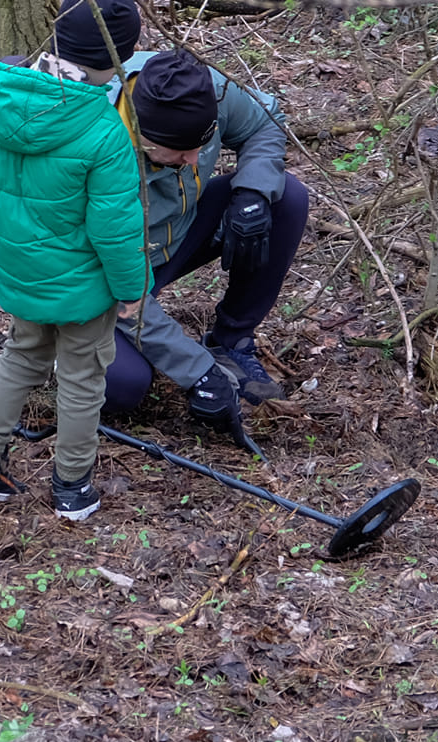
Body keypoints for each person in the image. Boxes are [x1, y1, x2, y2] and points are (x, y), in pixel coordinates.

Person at [0, 0, 149, 521]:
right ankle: (72, 486)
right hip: (82, 287)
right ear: (114, 60)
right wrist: (131, 288)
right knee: (82, 378)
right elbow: (115, 228)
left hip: (17, 269)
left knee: (22, 353)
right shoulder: (104, 131)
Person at [105, 47, 311, 452]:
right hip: (110, 278)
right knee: (122, 386)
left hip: (177, 235)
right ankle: (58, 358)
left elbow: (264, 122)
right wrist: (199, 372)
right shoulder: (96, 148)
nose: (196, 159)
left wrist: (251, 193)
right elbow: (118, 292)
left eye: (202, 144)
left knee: (285, 198)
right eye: (181, 152)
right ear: (143, 136)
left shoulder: (204, 91)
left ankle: (231, 342)